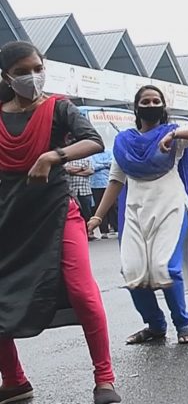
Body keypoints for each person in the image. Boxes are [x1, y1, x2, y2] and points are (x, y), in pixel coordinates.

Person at [0, 41, 121, 404]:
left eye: (38, 68)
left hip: (57, 212)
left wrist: (52, 156)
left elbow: (93, 141)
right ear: (6, 77)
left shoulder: (59, 107)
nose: (32, 77)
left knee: (82, 292)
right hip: (8, 218)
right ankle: (14, 380)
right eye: (22, 72)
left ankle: (104, 378)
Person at [88, 85, 188, 346]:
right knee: (132, 271)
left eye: (156, 101)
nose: (151, 105)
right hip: (135, 211)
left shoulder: (174, 136)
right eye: (145, 102)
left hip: (171, 207)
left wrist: (175, 133)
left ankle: (182, 324)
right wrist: (97, 217)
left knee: (165, 268)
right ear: (136, 108)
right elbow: (115, 181)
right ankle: (155, 325)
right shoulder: (124, 142)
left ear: (163, 107)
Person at [66, 151, 95, 238]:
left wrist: (75, 172)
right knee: (76, 213)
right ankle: (79, 234)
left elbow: (90, 171)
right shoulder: (69, 158)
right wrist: (82, 169)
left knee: (87, 213)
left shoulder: (87, 158)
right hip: (72, 191)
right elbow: (67, 170)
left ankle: (89, 233)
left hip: (85, 190)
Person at [89, 150, 115, 238]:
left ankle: (116, 228)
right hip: (96, 184)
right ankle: (104, 231)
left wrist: (100, 165)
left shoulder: (109, 152)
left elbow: (112, 164)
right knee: (99, 207)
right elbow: (93, 166)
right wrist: (105, 165)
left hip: (108, 183)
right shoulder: (92, 154)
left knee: (113, 207)